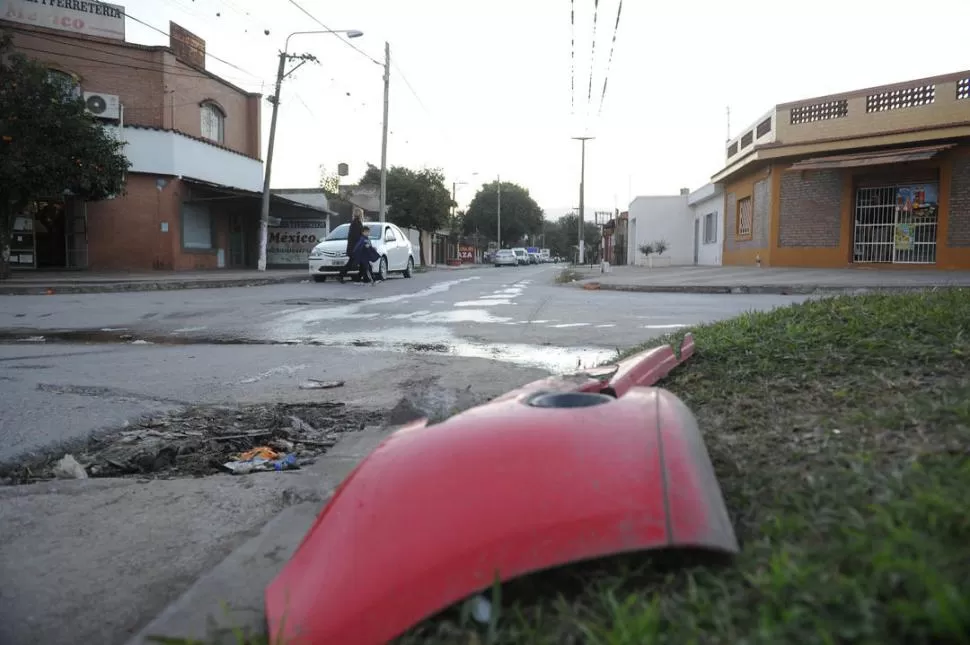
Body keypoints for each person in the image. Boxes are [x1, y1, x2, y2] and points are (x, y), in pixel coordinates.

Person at [338, 208, 364, 283]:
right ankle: (341, 276)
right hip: (355, 248)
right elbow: (356, 236)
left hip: (354, 247)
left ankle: (359, 277)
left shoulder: (356, 222)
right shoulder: (356, 223)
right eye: (361, 214)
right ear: (359, 214)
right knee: (353, 263)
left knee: (358, 263)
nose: (362, 215)